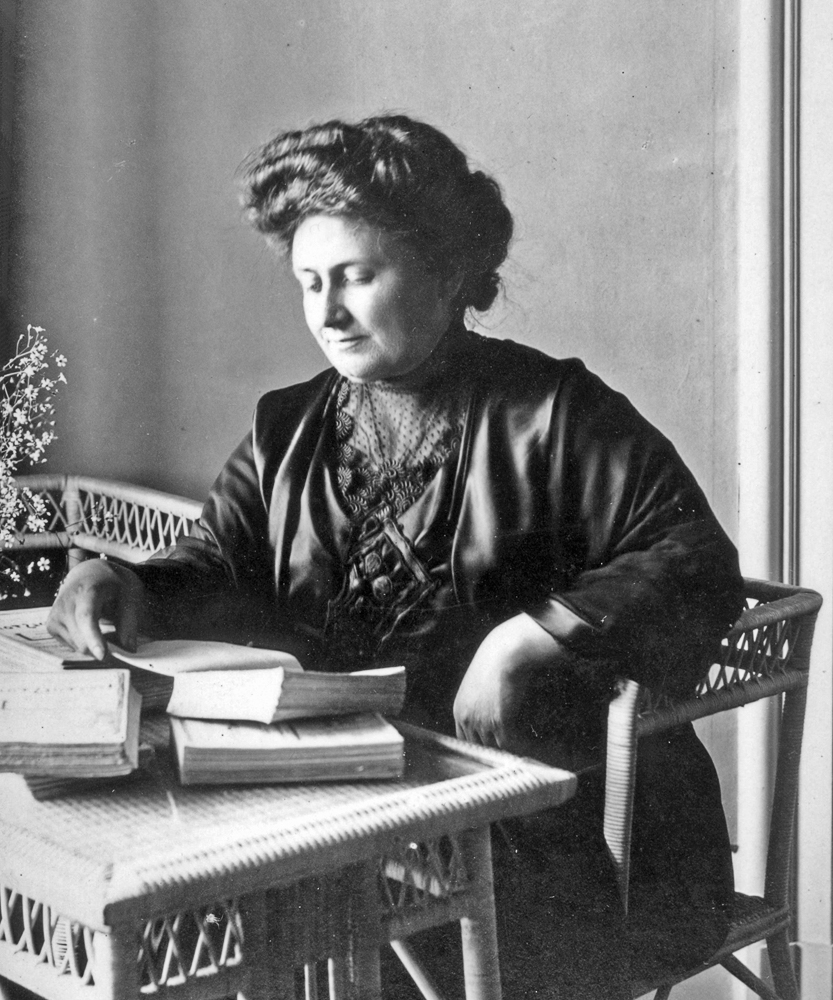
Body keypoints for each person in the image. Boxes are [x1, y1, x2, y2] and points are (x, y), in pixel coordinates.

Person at [48, 114, 742, 998]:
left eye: (357, 278)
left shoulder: (551, 408)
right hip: (335, 801)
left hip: (533, 823)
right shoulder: (285, 426)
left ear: (448, 271)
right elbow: (219, 566)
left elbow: (691, 554)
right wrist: (124, 580)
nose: (328, 314)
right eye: (309, 284)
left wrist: (526, 640)